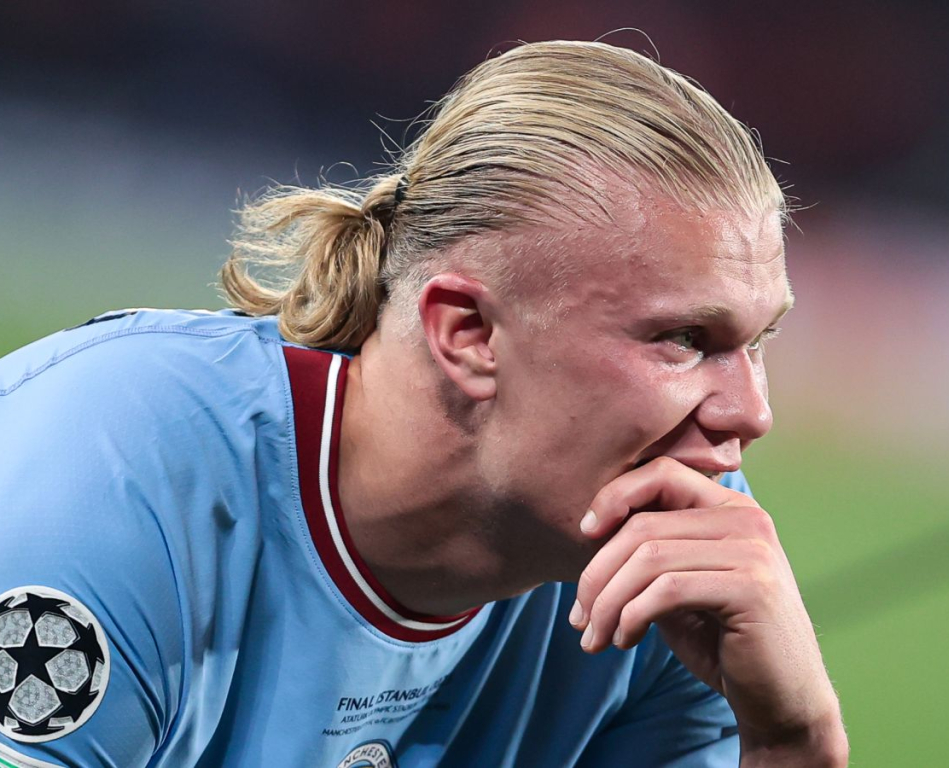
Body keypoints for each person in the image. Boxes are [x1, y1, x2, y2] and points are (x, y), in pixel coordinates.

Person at [0, 40, 847, 767]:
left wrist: (791, 738)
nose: (749, 413)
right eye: (686, 339)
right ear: (468, 333)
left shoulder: (673, 574)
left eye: (758, 341)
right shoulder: (105, 480)